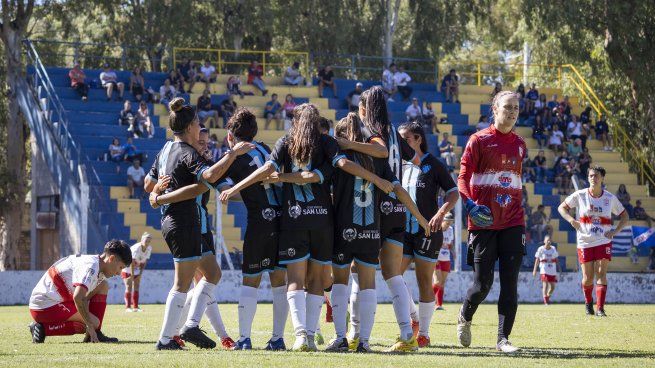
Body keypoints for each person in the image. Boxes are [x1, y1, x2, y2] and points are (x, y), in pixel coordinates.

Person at [218, 103, 398, 352]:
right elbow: (322, 173)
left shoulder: (285, 141)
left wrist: (238, 187)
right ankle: (311, 336)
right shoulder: (326, 143)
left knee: (295, 280)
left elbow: (267, 170)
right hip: (323, 221)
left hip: (293, 220)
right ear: (316, 122)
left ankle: (301, 336)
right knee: (315, 280)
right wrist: (377, 178)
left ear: (295, 120)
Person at [143, 97, 255, 350]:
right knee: (182, 284)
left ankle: (189, 325)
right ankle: (166, 339)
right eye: (197, 124)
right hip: (183, 222)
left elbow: (147, 184)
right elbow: (207, 178)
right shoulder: (187, 152)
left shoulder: (165, 150)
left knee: (213, 273)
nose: (199, 128)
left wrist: (157, 192)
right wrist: (233, 154)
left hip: (181, 222)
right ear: (191, 126)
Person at [326, 114, 429, 353]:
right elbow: (399, 191)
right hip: (371, 229)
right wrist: (420, 217)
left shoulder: (339, 154)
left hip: (345, 227)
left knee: (341, 281)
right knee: (368, 283)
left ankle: (342, 337)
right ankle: (364, 342)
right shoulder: (379, 161)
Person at [457, 91, 527, 353]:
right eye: (507, 107)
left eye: (516, 108)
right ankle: (465, 316)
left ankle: (502, 340)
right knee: (481, 285)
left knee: (510, 282)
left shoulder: (520, 144)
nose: (512, 112)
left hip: (513, 221)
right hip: (483, 222)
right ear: (495, 109)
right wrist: (469, 203)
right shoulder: (478, 140)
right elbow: (462, 177)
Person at [397, 122, 459, 348]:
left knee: (424, 280)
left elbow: (453, 192)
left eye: (405, 139)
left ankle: (423, 333)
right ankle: (414, 316)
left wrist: (442, 213)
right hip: (402, 231)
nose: (401, 143)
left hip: (428, 232)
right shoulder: (399, 165)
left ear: (417, 138)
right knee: (393, 275)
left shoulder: (434, 164)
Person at [557, 166, 629, 317]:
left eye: (596, 176)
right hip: (584, 241)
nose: (593, 178)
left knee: (601, 272)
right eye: (590, 176)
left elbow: (625, 216)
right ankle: (588, 303)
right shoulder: (580, 195)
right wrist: (571, 220)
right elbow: (562, 208)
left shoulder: (610, 198)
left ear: (602, 178)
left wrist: (615, 232)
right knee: (587, 278)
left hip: (603, 241)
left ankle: (600, 309)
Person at [28, 240, 132, 343]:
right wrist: (90, 326)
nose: (119, 273)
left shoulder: (97, 265)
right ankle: (41, 329)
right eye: (120, 267)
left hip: (57, 300)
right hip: (44, 305)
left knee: (103, 285)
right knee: (92, 323)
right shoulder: (91, 267)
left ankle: (96, 334)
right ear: (112, 258)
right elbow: (78, 297)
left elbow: (83, 298)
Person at [121, 233, 153, 312]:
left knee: (137, 286)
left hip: (136, 269)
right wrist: (132, 275)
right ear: (142, 240)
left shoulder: (149, 248)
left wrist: (140, 274)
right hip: (127, 269)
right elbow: (132, 262)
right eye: (146, 240)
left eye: (149, 241)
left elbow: (144, 262)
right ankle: (128, 308)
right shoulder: (136, 248)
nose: (147, 242)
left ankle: (135, 307)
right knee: (129, 287)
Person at [433, 213, 455, 310]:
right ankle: (427, 301)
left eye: (451, 221)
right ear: (443, 220)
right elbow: (433, 244)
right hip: (437, 258)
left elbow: (450, 243)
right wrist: (435, 256)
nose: (449, 223)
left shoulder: (451, 230)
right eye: (448, 221)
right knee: (437, 281)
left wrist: (453, 252)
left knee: (442, 283)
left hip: (446, 258)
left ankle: (439, 305)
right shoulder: (437, 229)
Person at [532, 235, 559, 305]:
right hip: (544, 270)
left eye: (550, 240)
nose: (549, 242)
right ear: (544, 241)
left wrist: (559, 269)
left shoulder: (553, 248)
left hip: (552, 270)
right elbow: (537, 259)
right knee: (545, 285)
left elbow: (556, 259)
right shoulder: (541, 249)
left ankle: (547, 296)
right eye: (547, 240)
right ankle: (545, 301)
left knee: (552, 287)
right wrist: (534, 270)